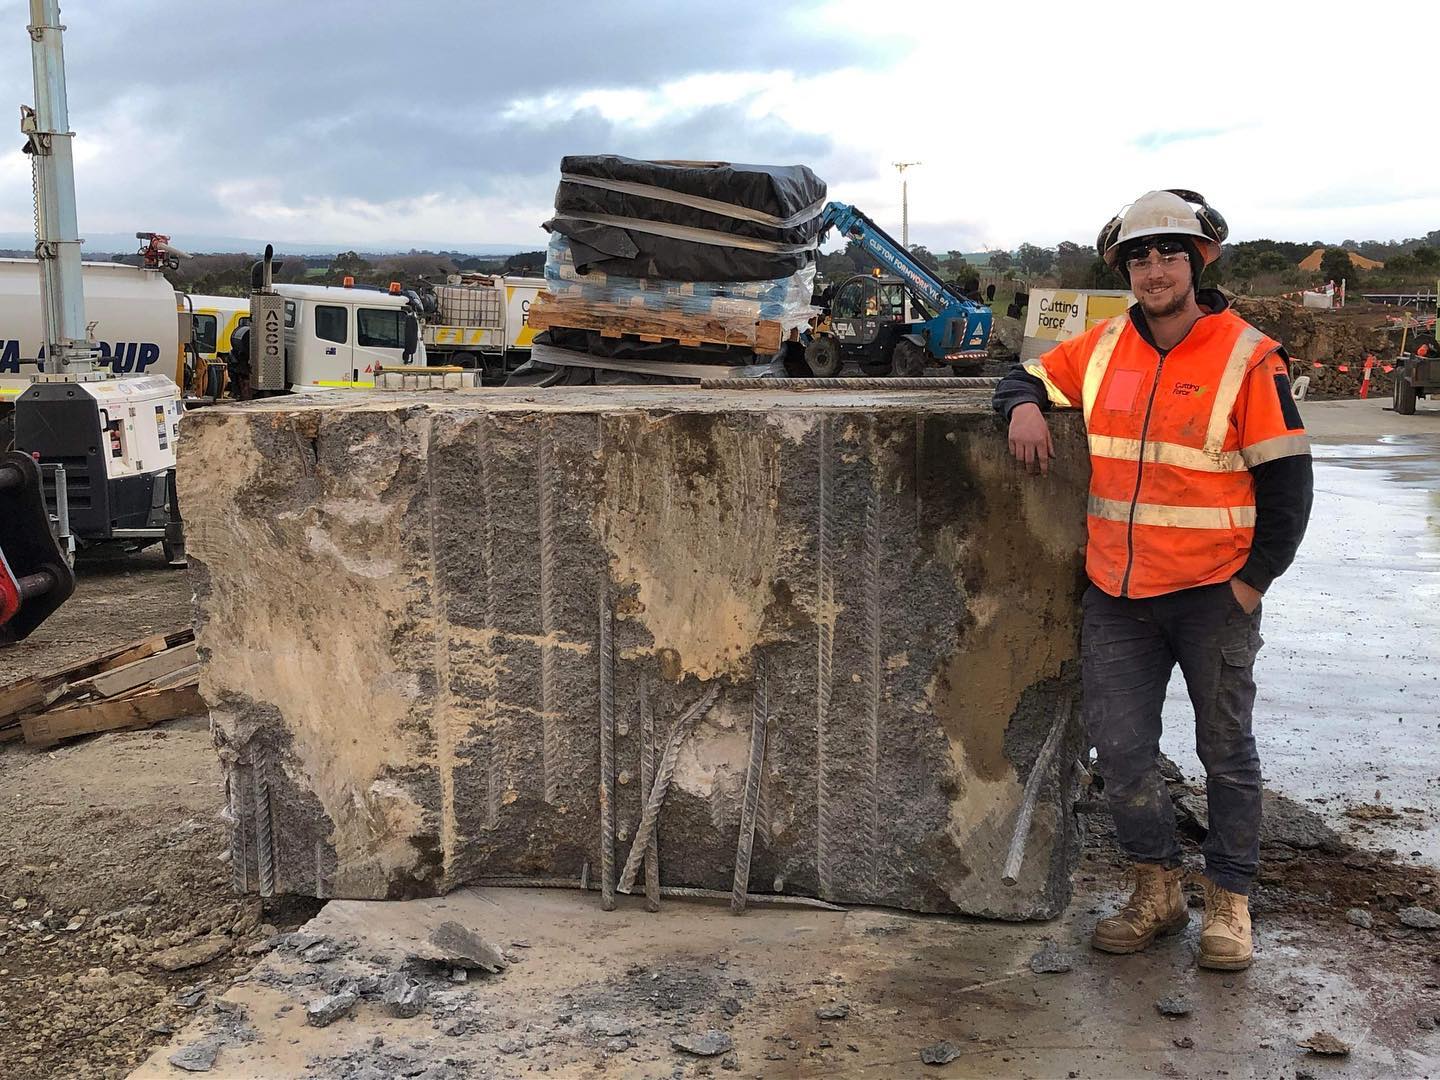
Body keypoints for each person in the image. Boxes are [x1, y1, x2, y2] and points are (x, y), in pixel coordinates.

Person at [992, 190, 1313, 971]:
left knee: (1226, 753)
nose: (1155, 268)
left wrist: (1253, 582)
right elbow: (1026, 374)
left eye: (1170, 252)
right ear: (1125, 268)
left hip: (1213, 594)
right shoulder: (1101, 349)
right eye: (1140, 255)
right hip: (1119, 597)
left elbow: (1289, 486)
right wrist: (1024, 407)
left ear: (1199, 261)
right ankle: (1156, 891)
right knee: (1123, 751)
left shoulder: (1246, 356)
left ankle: (1230, 903)